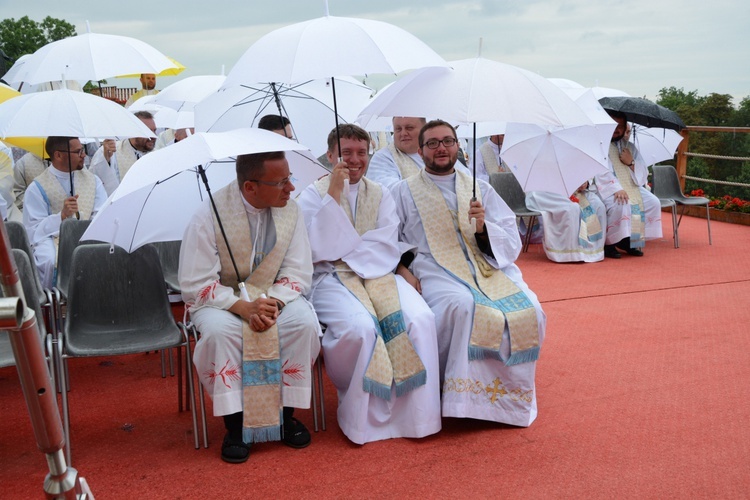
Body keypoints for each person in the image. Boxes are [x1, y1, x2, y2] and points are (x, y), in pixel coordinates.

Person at [391, 120, 546, 426]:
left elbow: (509, 237)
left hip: (485, 264)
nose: (441, 148)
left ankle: (508, 400)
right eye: (432, 143)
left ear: (458, 146)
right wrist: (401, 269)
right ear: (421, 150)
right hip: (434, 268)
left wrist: (482, 227)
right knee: (464, 305)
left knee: (531, 308)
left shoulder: (479, 187)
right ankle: (461, 399)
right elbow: (388, 238)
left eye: (447, 141)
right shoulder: (402, 192)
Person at [297, 124, 441, 444]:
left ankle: (416, 418)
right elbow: (314, 247)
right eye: (346, 152)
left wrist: (345, 248)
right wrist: (334, 195)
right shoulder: (312, 194)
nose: (354, 159)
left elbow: (386, 243)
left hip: (379, 274)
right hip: (331, 277)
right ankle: (362, 418)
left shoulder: (380, 192)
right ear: (331, 154)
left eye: (361, 152)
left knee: (420, 319)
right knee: (362, 328)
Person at [178, 150, 320, 464]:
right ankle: (236, 425)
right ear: (250, 188)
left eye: (290, 179)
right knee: (220, 333)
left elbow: (298, 270)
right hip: (221, 300)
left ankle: (285, 416)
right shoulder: (208, 216)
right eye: (282, 182)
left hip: (274, 296)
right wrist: (241, 307)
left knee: (302, 324)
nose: (291, 189)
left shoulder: (291, 211)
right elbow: (195, 281)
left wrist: (274, 303)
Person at [22, 136, 107, 289]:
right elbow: (33, 229)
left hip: (88, 234)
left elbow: (101, 213)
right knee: (48, 259)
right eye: (78, 151)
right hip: (53, 238)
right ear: (58, 155)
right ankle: (53, 302)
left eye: (83, 150)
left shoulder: (93, 181)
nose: (84, 155)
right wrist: (61, 216)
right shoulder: (36, 188)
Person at [594, 111, 662, 258]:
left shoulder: (629, 147)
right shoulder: (599, 145)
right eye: (614, 125)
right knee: (620, 203)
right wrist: (616, 188)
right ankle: (610, 244)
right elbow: (600, 170)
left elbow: (643, 172)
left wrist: (630, 162)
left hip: (631, 185)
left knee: (652, 202)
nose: (617, 129)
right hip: (607, 186)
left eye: (621, 126)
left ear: (626, 128)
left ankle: (630, 240)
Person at [525, 181, 606, 263]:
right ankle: (569, 253)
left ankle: (593, 251)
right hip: (544, 192)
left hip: (570, 190)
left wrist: (585, 182)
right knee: (573, 208)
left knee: (598, 205)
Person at [89, 111, 157, 195]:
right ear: (134, 131)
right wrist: (106, 160)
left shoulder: (157, 155)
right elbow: (97, 180)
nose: (153, 136)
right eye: (148, 131)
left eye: (154, 131)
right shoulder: (113, 151)